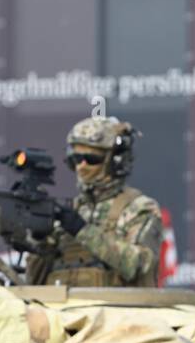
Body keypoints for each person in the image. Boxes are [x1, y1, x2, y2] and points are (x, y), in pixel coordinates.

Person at [25, 115, 163, 288]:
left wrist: (82, 231)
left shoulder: (139, 209)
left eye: (91, 159)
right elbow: (33, 280)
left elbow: (139, 265)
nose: (81, 166)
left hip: (119, 312)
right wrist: (40, 241)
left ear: (114, 161)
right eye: (75, 159)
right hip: (67, 312)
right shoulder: (72, 211)